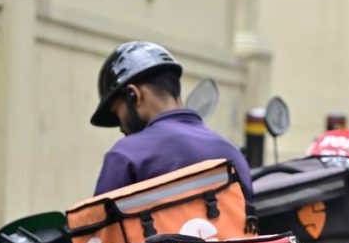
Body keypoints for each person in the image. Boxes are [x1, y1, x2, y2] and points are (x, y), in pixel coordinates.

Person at [90, 41, 252, 196]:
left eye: (118, 113)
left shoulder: (126, 155)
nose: (121, 128)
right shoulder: (232, 154)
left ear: (134, 95)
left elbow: (97, 223)